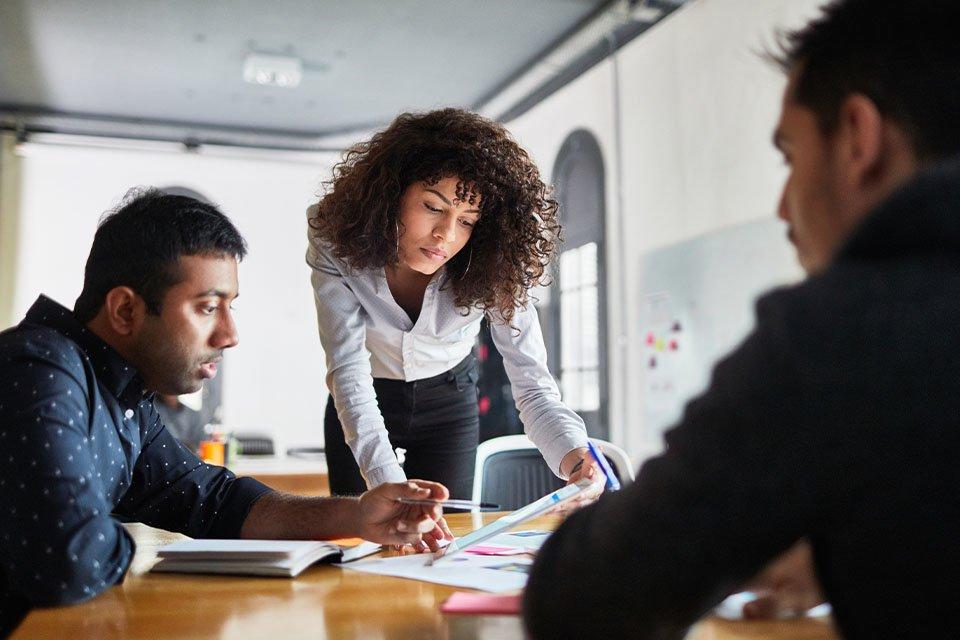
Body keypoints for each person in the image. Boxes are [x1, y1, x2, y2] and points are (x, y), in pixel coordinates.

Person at [523, 0, 960, 638]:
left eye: (790, 155)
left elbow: (581, 599)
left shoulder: (840, 334)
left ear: (859, 138)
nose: (783, 206)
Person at [0, 190, 449, 637]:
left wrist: (354, 517)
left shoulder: (124, 397)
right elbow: (69, 560)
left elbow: (216, 502)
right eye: (208, 307)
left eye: (230, 307)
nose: (230, 334)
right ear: (125, 309)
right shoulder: (40, 369)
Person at [306, 108, 601, 509]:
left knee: (445, 534)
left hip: (450, 400)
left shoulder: (498, 266)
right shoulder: (334, 240)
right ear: (391, 195)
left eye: (467, 221)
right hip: (363, 393)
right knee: (360, 534)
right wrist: (388, 487)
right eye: (432, 207)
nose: (445, 234)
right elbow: (348, 372)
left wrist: (576, 458)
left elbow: (532, 383)